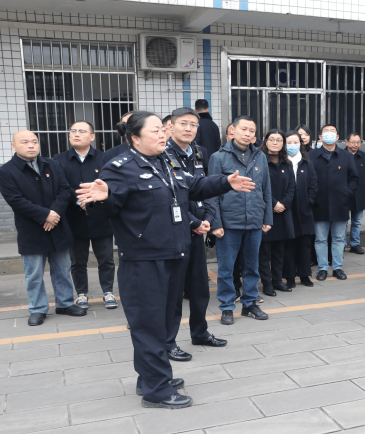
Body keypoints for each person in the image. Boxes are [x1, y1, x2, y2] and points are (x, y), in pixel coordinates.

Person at [77, 111, 255, 409]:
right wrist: (103, 198)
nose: (163, 134)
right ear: (135, 138)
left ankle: (149, 378)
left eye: (163, 129)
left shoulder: (166, 162)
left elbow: (193, 187)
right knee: (148, 325)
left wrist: (226, 182)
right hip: (144, 260)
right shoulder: (120, 168)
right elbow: (104, 209)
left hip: (174, 254)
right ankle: (156, 391)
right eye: (155, 130)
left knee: (160, 322)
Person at [0, 130, 87, 326]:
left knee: (62, 269)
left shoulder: (52, 164)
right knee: (34, 274)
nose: (31, 145)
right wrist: (45, 215)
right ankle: (37, 308)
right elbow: (16, 200)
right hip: (31, 229)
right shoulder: (6, 171)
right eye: (25, 142)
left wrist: (54, 213)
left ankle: (65, 303)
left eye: (34, 141)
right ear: (13, 146)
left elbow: (64, 190)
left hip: (58, 225)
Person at [163, 107, 228, 360]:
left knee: (200, 287)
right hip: (175, 233)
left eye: (193, 124)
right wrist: (193, 222)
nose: (188, 129)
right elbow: (169, 197)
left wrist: (208, 219)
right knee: (174, 292)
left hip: (198, 231)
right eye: (183, 123)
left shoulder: (200, 152)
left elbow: (207, 187)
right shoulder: (162, 154)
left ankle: (200, 332)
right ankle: (168, 342)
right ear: (171, 126)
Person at [209, 116, 272, 325]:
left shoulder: (260, 156)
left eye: (252, 131)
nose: (248, 134)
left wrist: (267, 217)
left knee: (252, 267)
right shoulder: (219, 157)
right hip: (229, 222)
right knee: (226, 268)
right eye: (244, 129)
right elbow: (211, 193)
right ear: (233, 130)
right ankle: (227, 306)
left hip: (254, 220)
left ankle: (249, 304)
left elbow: (266, 188)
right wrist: (216, 223)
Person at [54, 121, 117, 310]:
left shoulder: (104, 157)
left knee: (106, 259)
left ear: (92, 136)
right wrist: (79, 201)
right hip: (74, 218)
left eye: (82, 131)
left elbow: (110, 182)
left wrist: (91, 201)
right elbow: (61, 186)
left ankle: (108, 292)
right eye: (73, 131)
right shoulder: (59, 159)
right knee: (78, 261)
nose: (76, 134)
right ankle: (81, 294)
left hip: (101, 217)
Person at [309, 124, 359, 281]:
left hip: (340, 204)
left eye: (332, 132)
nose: (329, 134)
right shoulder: (311, 156)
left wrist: (347, 193)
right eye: (326, 132)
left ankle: (337, 268)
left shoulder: (346, 156)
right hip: (319, 205)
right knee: (320, 239)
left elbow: (354, 179)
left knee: (339, 239)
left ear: (337, 137)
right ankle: (322, 268)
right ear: (320, 137)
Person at [258, 130, 296, 295]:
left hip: (283, 213)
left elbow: (292, 186)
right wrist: (273, 204)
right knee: (265, 253)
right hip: (266, 213)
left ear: (283, 144)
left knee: (279, 251)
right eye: (272, 139)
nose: (275, 142)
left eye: (279, 140)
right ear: (265, 141)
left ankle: (278, 281)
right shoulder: (259, 161)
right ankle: (267, 284)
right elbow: (258, 186)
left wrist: (284, 204)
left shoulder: (287, 163)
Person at [284, 131, 318, 288]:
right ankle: (290, 276)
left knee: (305, 244)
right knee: (289, 245)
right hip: (287, 209)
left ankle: (305, 275)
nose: (292, 145)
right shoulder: (282, 162)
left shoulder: (306, 162)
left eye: (295, 142)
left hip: (305, 209)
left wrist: (309, 201)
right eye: (289, 142)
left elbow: (313, 184)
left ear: (301, 144)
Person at [345, 132, 365, 255]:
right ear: (347, 142)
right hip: (344, 194)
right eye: (353, 142)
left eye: (358, 142)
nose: (356, 145)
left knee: (357, 221)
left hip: (360, 193)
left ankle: (355, 244)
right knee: (343, 222)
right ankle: (341, 244)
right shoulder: (341, 155)